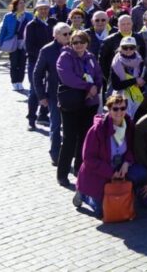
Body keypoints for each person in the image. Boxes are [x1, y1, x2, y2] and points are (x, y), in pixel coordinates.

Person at [73, 92, 135, 216]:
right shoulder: (97, 130)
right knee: (102, 212)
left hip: (119, 169)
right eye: (115, 109)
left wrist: (127, 162)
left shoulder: (129, 125)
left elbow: (132, 148)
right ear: (109, 109)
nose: (119, 112)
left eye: (122, 108)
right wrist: (110, 172)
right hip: (97, 173)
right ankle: (84, 194)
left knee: (123, 204)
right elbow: (88, 159)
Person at [56, 31, 103, 188]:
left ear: (87, 43)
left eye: (81, 42)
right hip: (72, 104)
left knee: (84, 138)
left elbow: (98, 74)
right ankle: (62, 174)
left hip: (89, 104)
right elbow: (67, 78)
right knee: (69, 139)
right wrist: (89, 86)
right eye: (75, 42)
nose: (78, 45)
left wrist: (96, 86)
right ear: (71, 43)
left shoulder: (90, 57)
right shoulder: (65, 57)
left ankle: (79, 170)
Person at [34, 23, 70, 165]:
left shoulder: (75, 46)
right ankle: (55, 154)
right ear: (55, 35)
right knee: (56, 125)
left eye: (69, 33)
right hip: (54, 94)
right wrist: (41, 96)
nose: (68, 36)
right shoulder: (47, 50)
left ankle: (70, 153)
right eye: (64, 34)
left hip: (73, 93)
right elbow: (37, 74)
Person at [24, 0, 54, 130]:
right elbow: (29, 47)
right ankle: (31, 118)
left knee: (50, 88)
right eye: (41, 8)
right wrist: (43, 56)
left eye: (46, 8)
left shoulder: (53, 23)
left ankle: (43, 114)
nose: (43, 11)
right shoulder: (31, 25)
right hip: (35, 62)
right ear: (36, 10)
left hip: (51, 62)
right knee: (35, 90)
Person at [0, 0, 33, 91]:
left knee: (22, 63)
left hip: (24, 42)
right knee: (14, 62)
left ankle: (20, 82)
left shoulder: (29, 16)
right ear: (15, 5)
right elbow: (3, 30)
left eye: (23, 3)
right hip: (12, 41)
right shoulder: (8, 16)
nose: (22, 5)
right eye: (20, 3)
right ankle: (14, 82)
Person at [109, 36, 147, 120]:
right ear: (120, 48)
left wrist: (143, 81)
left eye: (131, 47)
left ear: (135, 48)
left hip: (136, 98)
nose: (128, 50)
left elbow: (146, 78)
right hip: (121, 99)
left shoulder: (139, 60)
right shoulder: (116, 63)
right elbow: (116, 85)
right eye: (125, 47)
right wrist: (134, 81)